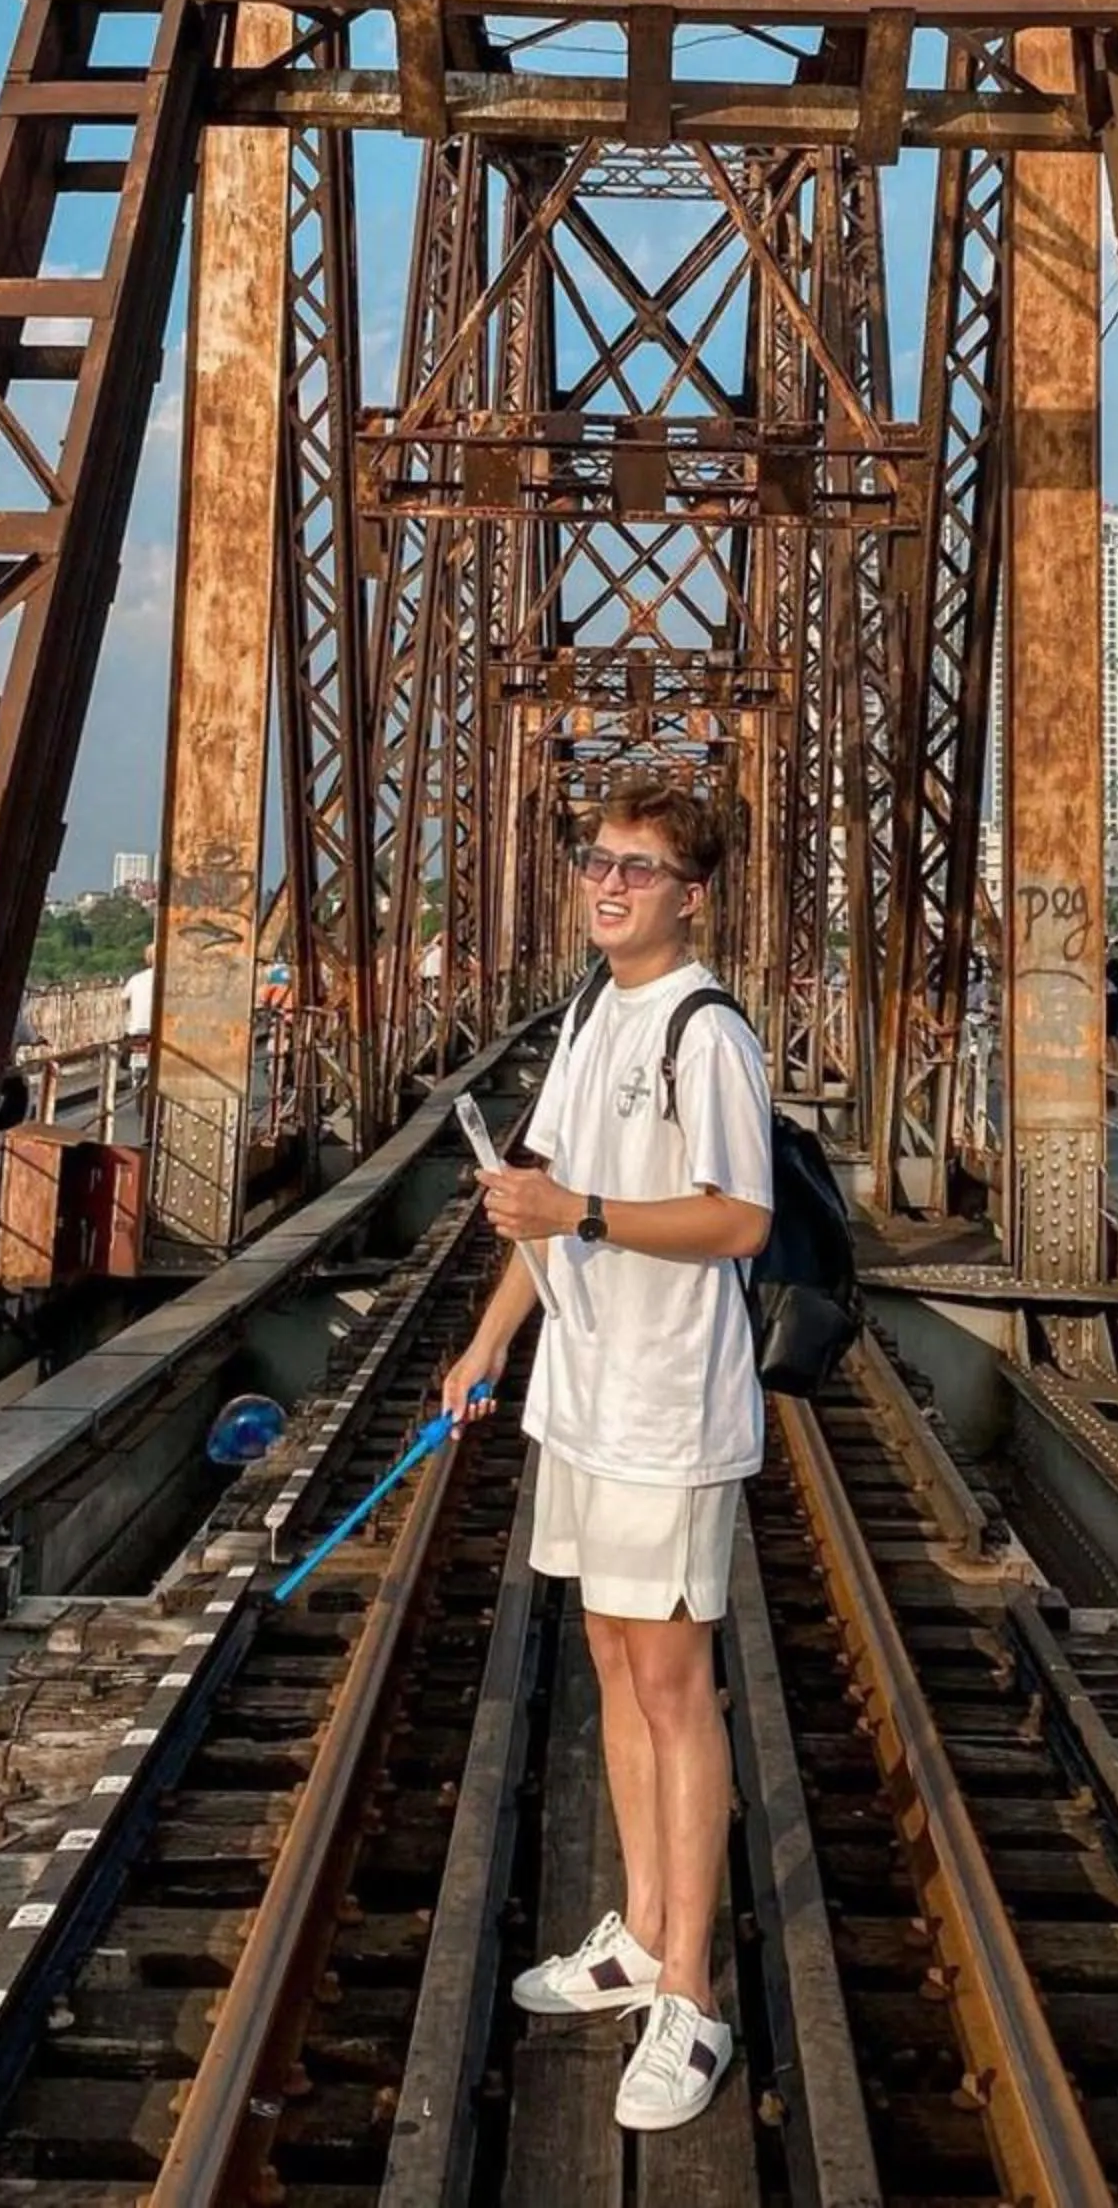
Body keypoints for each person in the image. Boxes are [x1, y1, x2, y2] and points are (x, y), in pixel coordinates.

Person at [442, 777, 773, 2135]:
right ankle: (640, 1933)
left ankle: (687, 1991)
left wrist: (574, 1204)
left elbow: (740, 1219)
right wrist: (484, 1348)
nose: (608, 883)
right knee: (609, 1663)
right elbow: (547, 1209)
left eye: (638, 868)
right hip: (580, 1403)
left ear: (690, 896)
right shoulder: (591, 1012)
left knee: (670, 1683)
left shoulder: (706, 1034)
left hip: (671, 1411)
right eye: (597, 861)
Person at [122, 939, 156, 1092]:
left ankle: (135, 1076)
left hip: (135, 1030)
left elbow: (123, 999)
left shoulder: (136, 979)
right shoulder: (166, 978)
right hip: (156, 1031)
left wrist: (129, 1016)